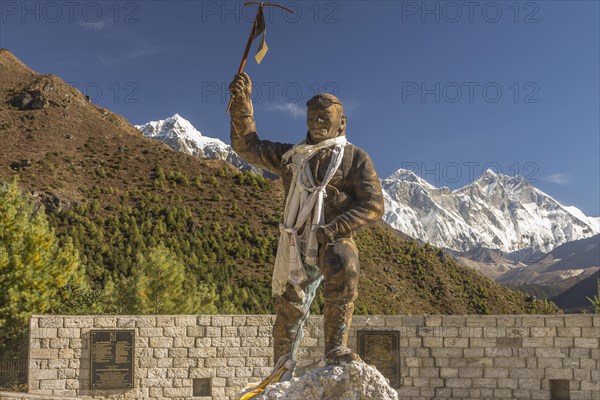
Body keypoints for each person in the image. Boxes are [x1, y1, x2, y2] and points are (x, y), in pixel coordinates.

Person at [229, 72, 384, 366]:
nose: (317, 121)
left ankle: (335, 348)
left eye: (325, 116)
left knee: (345, 267)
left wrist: (336, 227)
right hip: (295, 240)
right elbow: (247, 146)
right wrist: (242, 105)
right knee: (288, 306)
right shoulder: (292, 156)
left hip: (333, 238)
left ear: (342, 122)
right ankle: (281, 367)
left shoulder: (355, 158)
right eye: (312, 117)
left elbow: (374, 205)